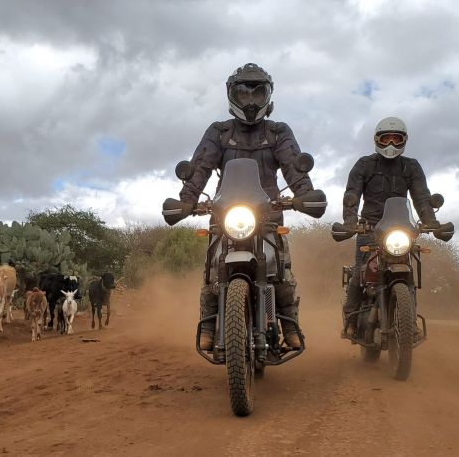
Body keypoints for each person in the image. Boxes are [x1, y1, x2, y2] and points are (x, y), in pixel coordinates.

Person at [178, 62, 315, 350]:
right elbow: (200, 166)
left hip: (268, 213)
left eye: (257, 93)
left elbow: (294, 166)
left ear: (268, 95)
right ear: (232, 95)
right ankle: (209, 323)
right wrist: (187, 200)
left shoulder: (278, 132)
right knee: (213, 269)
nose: (250, 101)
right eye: (243, 93)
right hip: (224, 213)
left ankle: (289, 324)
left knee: (281, 271)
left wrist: (304, 194)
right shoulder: (219, 132)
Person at [340, 116, 439, 337]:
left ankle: (409, 323)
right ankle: (351, 319)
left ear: (404, 140)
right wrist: (350, 221)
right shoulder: (364, 164)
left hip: (401, 229)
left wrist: (430, 221)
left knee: (408, 272)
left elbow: (422, 197)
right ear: (378, 140)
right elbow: (352, 195)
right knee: (360, 272)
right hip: (369, 229)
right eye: (386, 138)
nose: (391, 143)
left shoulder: (411, 166)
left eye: (397, 138)